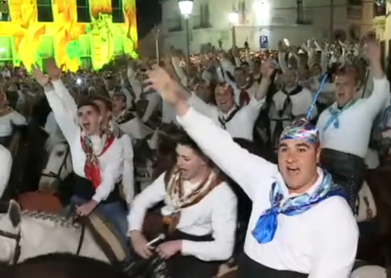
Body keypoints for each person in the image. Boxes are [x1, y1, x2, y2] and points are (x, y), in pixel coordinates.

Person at [143, 66, 358, 277]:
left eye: (302, 149)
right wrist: (176, 102)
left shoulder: (335, 215)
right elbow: (220, 147)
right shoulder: (268, 179)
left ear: (317, 154)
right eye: (285, 149)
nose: (291, 159)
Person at [31, 61, 128, 252]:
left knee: (127, 239)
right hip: (79, 197)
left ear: (100, 118)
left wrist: (93, 203)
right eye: (81, 114)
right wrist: (49, 87)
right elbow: (62, 111)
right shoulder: (75, 136)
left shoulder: (115, 144)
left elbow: (108, 180)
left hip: (107, 201)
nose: (83, 117)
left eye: (89, 113)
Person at [128, 130, 237, 278]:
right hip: (167, 233)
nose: (178, 163)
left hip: (199, 249)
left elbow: (224, 249)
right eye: (178, 156)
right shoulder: (171, 176)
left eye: (185, 159)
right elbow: (141, 200)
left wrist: (180, 245)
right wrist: (135, 233)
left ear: (204, 160)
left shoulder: (222, 195)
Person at [316, 37, 389, 213]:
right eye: (338, 84)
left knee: (340, 213)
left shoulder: (364, 108)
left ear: (356, 87)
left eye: (346, 84)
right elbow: (316, 142)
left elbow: (382, 91)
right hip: (322, 167)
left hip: (347, 171)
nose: (340, 89)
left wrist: (375, 62)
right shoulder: (325, 114)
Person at [176, 60, 273, 141]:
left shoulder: (244, 115)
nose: (222, 98)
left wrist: (265, 78)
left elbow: (257, 100)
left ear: (233, 97)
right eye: (218, 94)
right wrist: (170, 79)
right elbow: (190, 98)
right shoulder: (213, 113)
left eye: (225, 93)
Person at [91, 96, 135, 206]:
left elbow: (127, 171)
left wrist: (129, 200)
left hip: (110, 194)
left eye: (99, 108)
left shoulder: (120, 138)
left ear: (108, 114)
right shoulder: (86, 133)